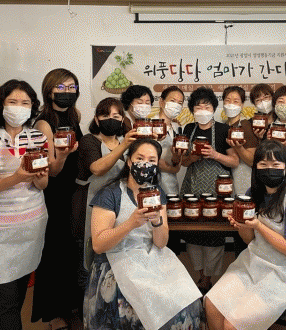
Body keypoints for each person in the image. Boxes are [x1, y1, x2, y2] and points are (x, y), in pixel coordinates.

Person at [83, 139, 203, 330]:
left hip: (149, 256)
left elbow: (161, 243)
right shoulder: (110, 194)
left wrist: (157, 222)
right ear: (129, 161)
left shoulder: (157, 194)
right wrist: (130, 223)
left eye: (151, 160)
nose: (145, 164)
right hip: (117, 259)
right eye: (140, 159)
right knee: (143, 307)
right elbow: (98, 245)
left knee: (187, 300)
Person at [205, 140, 286, 330]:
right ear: (255, 168)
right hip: (255, 263)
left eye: (276, 164)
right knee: (212, 305)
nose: (269, 169)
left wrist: (258, 225)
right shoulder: (253, 194)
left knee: (232, 324)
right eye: (263, 164)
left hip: (285, 273)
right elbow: (249, 240)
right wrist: (242, 225)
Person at [0, 80, 49, 330]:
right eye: (13, 102)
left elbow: (43, 184)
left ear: (32, 107)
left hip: (30, 226)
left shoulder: (37, 137)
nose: (19, 107)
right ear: (1, 105)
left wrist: (38, 177)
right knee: (6, 301)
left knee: (18, 295)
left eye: (25, 103)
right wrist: (16, 177)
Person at [31, 68, 82, 330]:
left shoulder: (75, 116)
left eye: (71, 87)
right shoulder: (43, 123)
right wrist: (62, 156)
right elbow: (51, 170)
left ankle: (68, 304)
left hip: (73, 192)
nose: (66, 92)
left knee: (70, 251)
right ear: (49, 90)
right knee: (53, 251)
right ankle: (52, 314)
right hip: (54, 193)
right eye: (60, 87)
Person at [178, 87, 239, 293]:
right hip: (193, 186)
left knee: (215, 233)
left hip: (218, 188)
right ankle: (200, 273)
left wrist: (215, 154)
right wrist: (192, 158)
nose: (202, 110)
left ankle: (208, 277)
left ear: (214, 108)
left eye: (207, 106)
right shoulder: (188, 129)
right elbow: (184, 162)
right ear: (192, 110)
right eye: (198, 106)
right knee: (192, 232)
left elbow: (234, 161)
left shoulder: (223, 130)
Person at [77, 98, 137, 253]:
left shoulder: (126, 142)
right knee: (90, 246)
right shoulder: (88, 140)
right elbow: (97, 169)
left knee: (115, 242)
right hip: (89, 201)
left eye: (116, 116)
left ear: (122, 120)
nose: (111, 120)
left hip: (117, 202)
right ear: (97, 120)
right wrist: (124, 145)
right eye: (105, 116)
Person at [222, 85, 259, 195]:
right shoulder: (223, 126)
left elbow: (252, 160)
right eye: (227, 100)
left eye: (236, 101)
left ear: (242, 105)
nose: (231, 104)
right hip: (226, 180)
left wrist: (239, 148)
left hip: (243, 179)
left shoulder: (246, 126)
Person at [154, 86, 185, 194]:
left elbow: (178, 163)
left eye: (180, 103)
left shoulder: (177, 128)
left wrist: (176, 159)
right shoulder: (149, 125)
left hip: (171, 184)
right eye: (172, 101)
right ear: (161, 102)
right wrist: (173, 169)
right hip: (151, 182)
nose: (176, 105)